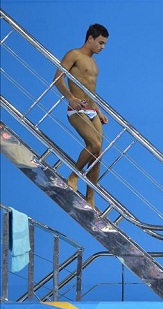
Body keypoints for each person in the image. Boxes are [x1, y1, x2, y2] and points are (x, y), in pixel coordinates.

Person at [53, 24, 109, 209]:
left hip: (93, 111)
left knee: (98, 153)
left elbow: (92, 91)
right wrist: (70, 98)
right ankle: (73, 176)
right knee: (94, 144)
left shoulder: (94, 63)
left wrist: (99, 111)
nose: (103, 47)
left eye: (104, 44)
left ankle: (90, 198)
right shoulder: (74, 54)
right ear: (90, 39)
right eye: (100, 42)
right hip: (77, 109)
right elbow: (57, 78)